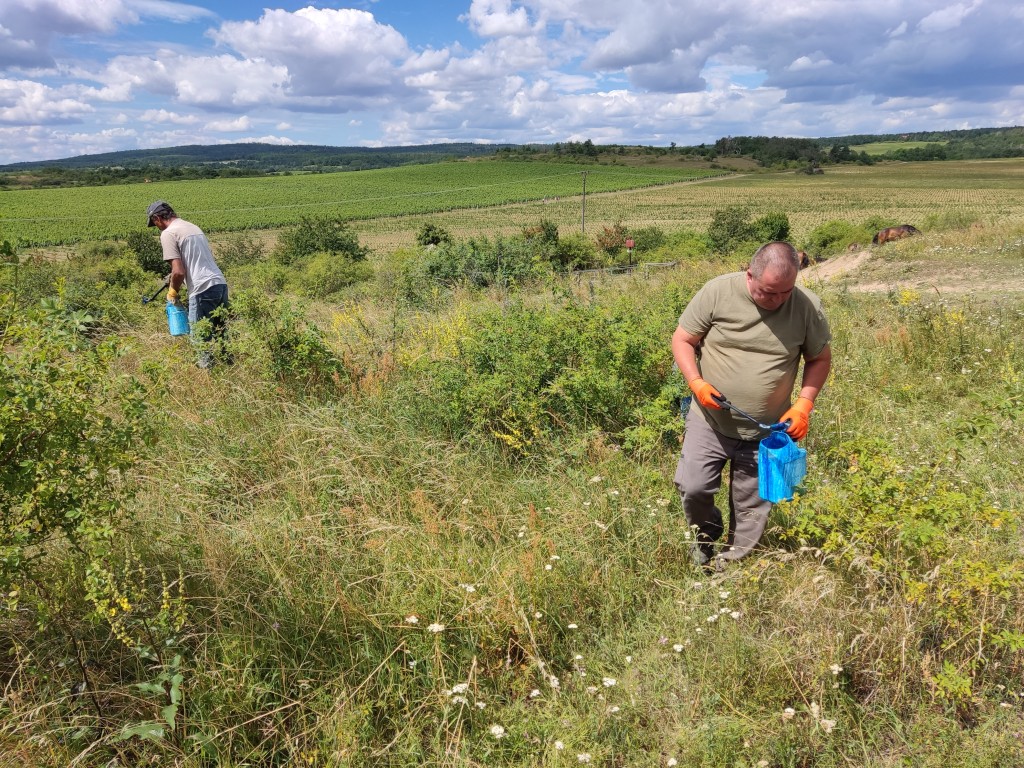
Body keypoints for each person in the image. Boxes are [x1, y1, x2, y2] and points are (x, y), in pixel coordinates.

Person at [672, 241, 831, 571]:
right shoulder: (717, 292)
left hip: (768, 431)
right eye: (768, 292)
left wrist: (803, 405)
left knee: (752, 507)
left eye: (785, 292)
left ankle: (727, 569)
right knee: (693, 487)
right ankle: (705, 540)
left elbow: (820, 359)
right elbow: (683, 340)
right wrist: (697, 383)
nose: (777, 300)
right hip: (709, 421)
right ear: (750, 275)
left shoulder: (806, 307)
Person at [146, 200, 230, 368]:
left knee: (200, 339)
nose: (157, 227)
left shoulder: (168, 233)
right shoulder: (192, 227)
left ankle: (209, 380)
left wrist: (172, 292)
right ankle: (231, 370)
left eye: (154, 223)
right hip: (220, 285)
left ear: (157, 218)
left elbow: (178, 272)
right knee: (223, 337)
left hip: (201, 290)